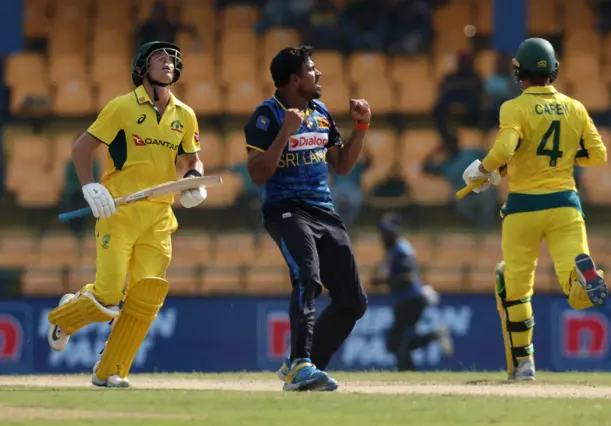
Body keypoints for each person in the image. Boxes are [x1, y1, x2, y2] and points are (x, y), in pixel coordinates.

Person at [46, 41, 208, 388]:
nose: (169, 62)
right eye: (160, 57)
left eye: (173, 58)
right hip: (119, 212)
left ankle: (110, 371)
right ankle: (66, 317)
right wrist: (91, 187)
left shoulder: (185, 114)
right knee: (107, 297)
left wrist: (194, 181)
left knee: (145, 298)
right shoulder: (121, 106)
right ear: (141, 68)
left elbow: (193, 160)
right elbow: (81, 147)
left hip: (159, 218)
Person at [461, 37, 609, 381]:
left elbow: (505, 148)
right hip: (565, 206)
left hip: (523, 208)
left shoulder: (514, 108)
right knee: (572, 287)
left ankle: (524, 364)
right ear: (554, 71)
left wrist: (484, 169)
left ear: (519, 72)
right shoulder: (576, 107)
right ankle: (584, 278)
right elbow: (599, 154)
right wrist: (567, 157)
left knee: (514, 285)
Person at [244, 46, 370, 391]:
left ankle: (303, 364)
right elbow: (258, 174)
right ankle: (300, 363)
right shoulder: (266, 117)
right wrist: (285, 131)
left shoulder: (320, 112)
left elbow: (342, 165)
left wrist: (361, 126)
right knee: (308, 278)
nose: (319, 75)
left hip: (323, 210)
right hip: (285, 209)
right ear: (294, 79)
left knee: (353, 301)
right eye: (312, 69)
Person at [371, 213, 453, 371]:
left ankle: (408, 374)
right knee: (394, 343)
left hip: (412, 300)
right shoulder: (394, 248)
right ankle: (435, 335)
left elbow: (408, 276)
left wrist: (384, 281)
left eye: (386, 233)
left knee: (402, 343)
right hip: (403, 301)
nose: (383, 237)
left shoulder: (402, 249)